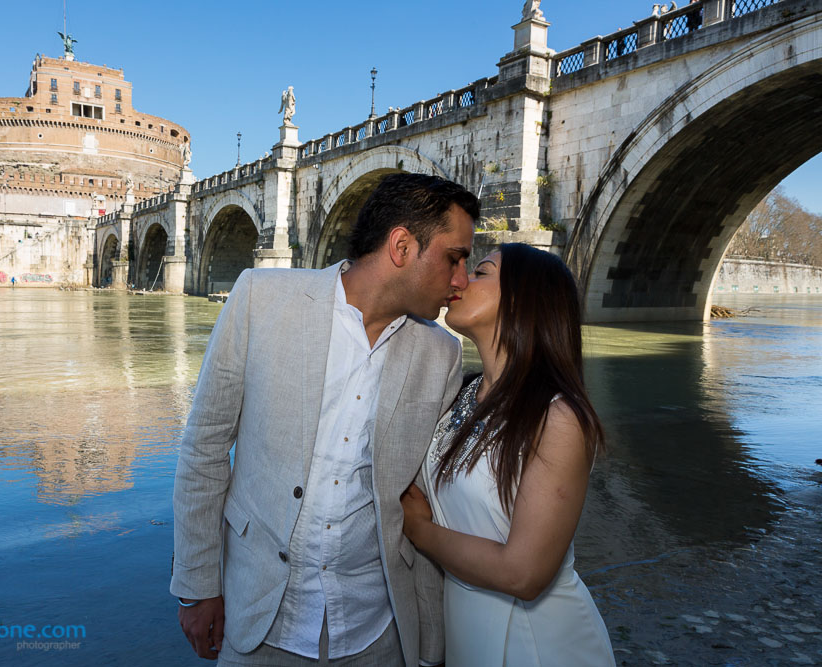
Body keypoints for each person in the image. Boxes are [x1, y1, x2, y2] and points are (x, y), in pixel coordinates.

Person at [171, 173, 480, 666]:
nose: (461, 279)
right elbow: (205, 449)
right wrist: (197, 586)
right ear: (401, 246)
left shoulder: (441, 353)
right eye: (454, 257)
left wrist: (428, 644)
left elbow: (420, 499)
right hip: (260, 617)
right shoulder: (258, 298)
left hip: (375, 631)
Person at [401, 243, 615, 666]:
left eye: (480, 272)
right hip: (466, 632)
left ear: (522, 298)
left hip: (537, 643)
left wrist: (419, 530)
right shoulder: (461, 392)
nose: (459, 280)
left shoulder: (559, 417)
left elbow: (524, 573)